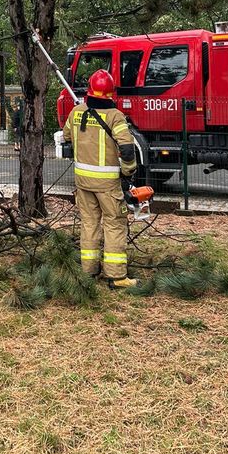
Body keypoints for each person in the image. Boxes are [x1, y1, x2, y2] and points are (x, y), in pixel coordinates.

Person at [62, 69, 138, 289]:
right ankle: (116, 276)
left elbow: (66, 136)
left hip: (82, 181)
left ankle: (89, 271)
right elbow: (127, 148)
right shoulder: (115, 116)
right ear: (111, 93)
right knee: (115, 224)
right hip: (107, 184)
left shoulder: (76, 112)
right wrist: (128, 171)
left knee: (89, 223)